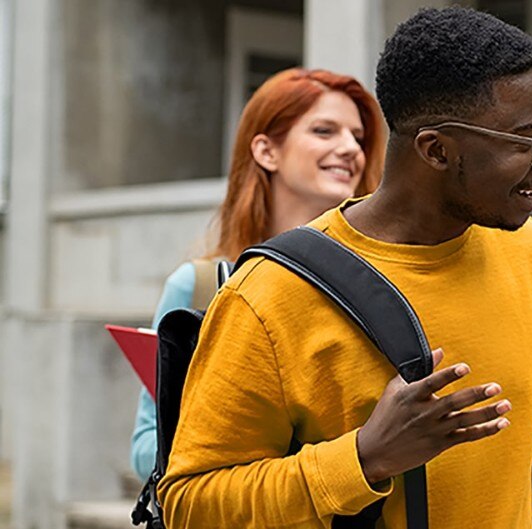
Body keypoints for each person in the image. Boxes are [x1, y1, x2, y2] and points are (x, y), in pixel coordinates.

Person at [157, 7, 532, 528]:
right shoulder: (268, 296)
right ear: (436, 151)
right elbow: (191, 505)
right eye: (525, 140)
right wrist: (363, 460)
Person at [129, 67, 385, 482]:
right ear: (267, 151)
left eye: (358, 137)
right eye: (324, 131)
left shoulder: (381, 284)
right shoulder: (199, 288)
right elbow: (144, 449)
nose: (350, 149)